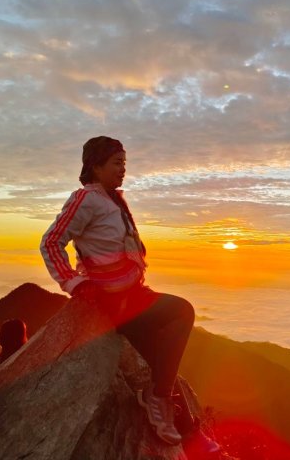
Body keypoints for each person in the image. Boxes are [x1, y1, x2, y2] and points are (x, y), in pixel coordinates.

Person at [40, 136, 219, 457]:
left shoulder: (113, 199)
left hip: (133, 294)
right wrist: (76, 284)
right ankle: (163, 406)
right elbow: (51, 242)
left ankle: (187, 431)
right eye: (116, 163)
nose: (123, 169)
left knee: (161, 363)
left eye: (125, 163)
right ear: (95, 165)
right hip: (113, 300)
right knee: (182, 311)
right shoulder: (85, 200)